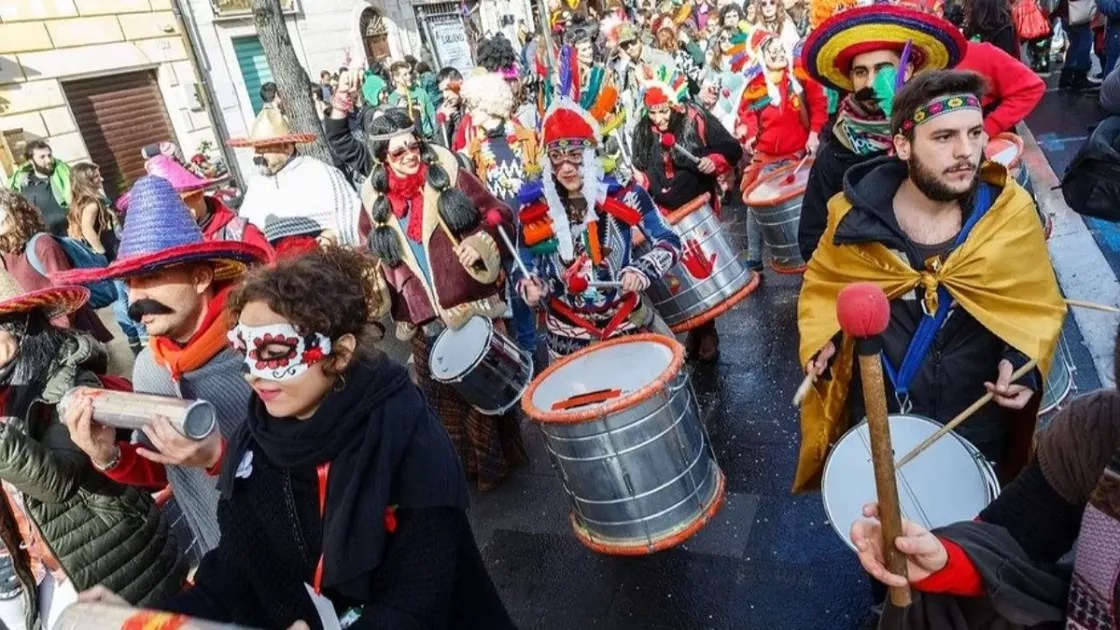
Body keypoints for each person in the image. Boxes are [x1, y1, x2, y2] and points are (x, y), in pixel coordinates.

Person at [79, 247, 518, 629]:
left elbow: (418, 603)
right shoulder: (257, 442)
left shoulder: (406, 437)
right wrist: (145, 622)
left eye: (273, 353)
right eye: (245, 351)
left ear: (340, 352)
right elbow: (235, 575)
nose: (252, 372)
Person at [795, 70, 1066, 495]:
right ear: (903, 145)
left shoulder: (1009, 214)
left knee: (971, 552)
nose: (966, 152)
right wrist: (823, 343)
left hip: (977, 431)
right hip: (884, 430)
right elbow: (823, 291)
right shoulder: (851, 220)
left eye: (974, 133)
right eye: (943, 138)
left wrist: (1023, 363)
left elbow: (1036, 302)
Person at [851, 323, 1120, 629]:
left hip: (972, 397)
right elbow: (1015, 539)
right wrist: (944, 561)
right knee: (933, 604)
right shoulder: (1095, 431)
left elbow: (1025, 301)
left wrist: (1020, 354)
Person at [57, 176, 269, 562]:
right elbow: (165, 467)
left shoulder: (259, 349)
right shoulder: (149, 367)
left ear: (201, 277)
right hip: (222, 561)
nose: (136, 299)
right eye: (130, 282)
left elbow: (313, 467)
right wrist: (109, 455)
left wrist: (220, 457)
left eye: (152, 277)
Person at [0, 268, 185, 630]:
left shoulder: (67, 375)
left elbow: (58, 480)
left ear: (19, 327)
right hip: (34, 569)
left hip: (107, 559)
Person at [362, 108, 528, 491]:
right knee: (443, 405)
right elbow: (370, 250)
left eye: (413, 146)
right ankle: (465, 469)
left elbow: (499, 213)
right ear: (382, 159)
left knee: (484, 398)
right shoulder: (373, 200)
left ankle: (495, 470)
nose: (410, 155)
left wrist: (478, 240)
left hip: (470, 303)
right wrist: (382, 282)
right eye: (398, 152)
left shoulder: (449, 173)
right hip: (420, 317)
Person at [796, 3, 969, 263]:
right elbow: (812, 240)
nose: (869, 84)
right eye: (860, 72)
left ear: (907, 70)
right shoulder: (833, 157)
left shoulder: (942, 134)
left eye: (882, 70)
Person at [515, 98, 682, 359]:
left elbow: (670, 240)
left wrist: (641, 270)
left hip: (626, 323)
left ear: (591, 155)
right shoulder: (535, 211)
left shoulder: (627, 195)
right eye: (557, 157)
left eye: (575, 155)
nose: (566, 167)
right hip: (566, 338)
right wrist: (531, 285)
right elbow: (522, 265)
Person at [630, 68, 742, 360]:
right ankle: (696, 328)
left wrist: (712, 161)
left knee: (702, 270)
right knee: (679, 275)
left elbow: (731, 148)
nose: (658, 119)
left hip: (697, 206)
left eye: (663, 111)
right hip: (665, 212)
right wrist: (639, 184)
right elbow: (641, 170)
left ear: (673, 104)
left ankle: (706, 331)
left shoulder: (695, 117)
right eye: (652, 113)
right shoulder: (642, 130)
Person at [459, 72, 542, 364]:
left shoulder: (525, 137)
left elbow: (540, 176)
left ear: (490, 105)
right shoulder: (474, 151)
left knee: (537, 279)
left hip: (533, 222)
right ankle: (528, 349)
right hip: (502, 229)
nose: (469, 114)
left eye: (474, 107)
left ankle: (544, 339)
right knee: (515, 287)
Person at [736, 28, 828, 272]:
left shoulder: (798, 75)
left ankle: (817, 249)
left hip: (798, 154)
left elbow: (819, 104)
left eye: (779, 47)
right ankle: (755, 257)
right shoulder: (755, 87)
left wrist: (814, 135)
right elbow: (745, 117)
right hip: (766, 157)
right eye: (771, 50)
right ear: (761, 56)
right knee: (753, 199)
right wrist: (747, 135)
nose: (777, 53)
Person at [231, 108, 363, 253]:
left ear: (286, 146)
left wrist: (328, 239)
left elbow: (352, 219)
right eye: (256, 149)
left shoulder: (319, 173)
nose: (257, 157)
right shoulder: (256, 185)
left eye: (264, 149)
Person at [0, 190, 112, 344]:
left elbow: (68, 297)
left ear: (16, 212)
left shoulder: (43, 244)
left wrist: (58, 338)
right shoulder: (5, 256)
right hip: (39, 341)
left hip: (70, 338)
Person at [7, 141, 71, 237]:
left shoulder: (62, 175)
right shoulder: (24, 184)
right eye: (42, 157)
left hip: (71, 235)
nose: (48, 160)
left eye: (49, 155)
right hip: (46, 241)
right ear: (31, 161)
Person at [66, 163, 118, 259]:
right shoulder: (92, 205)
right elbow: (87, 229)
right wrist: (102, 254)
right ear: (86, 181)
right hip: (108, 250)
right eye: (96, 176)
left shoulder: (80, 202)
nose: (101, 179)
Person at [388, 60, 437, 140]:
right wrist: (399, 110)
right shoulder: (392, 99)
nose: (409, 77)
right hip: (409, 139)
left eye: (409, 73)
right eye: (405, 75)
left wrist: (436, 135)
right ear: (396, 78)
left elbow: (432, 115)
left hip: (428, 137)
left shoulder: (420, 92)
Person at [435, 66, 465, 147]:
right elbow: (442, 147)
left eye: (447, 89)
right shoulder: (443, 111)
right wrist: (445, 122)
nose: (445, 95)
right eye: (442, 91)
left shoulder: (471, 106)